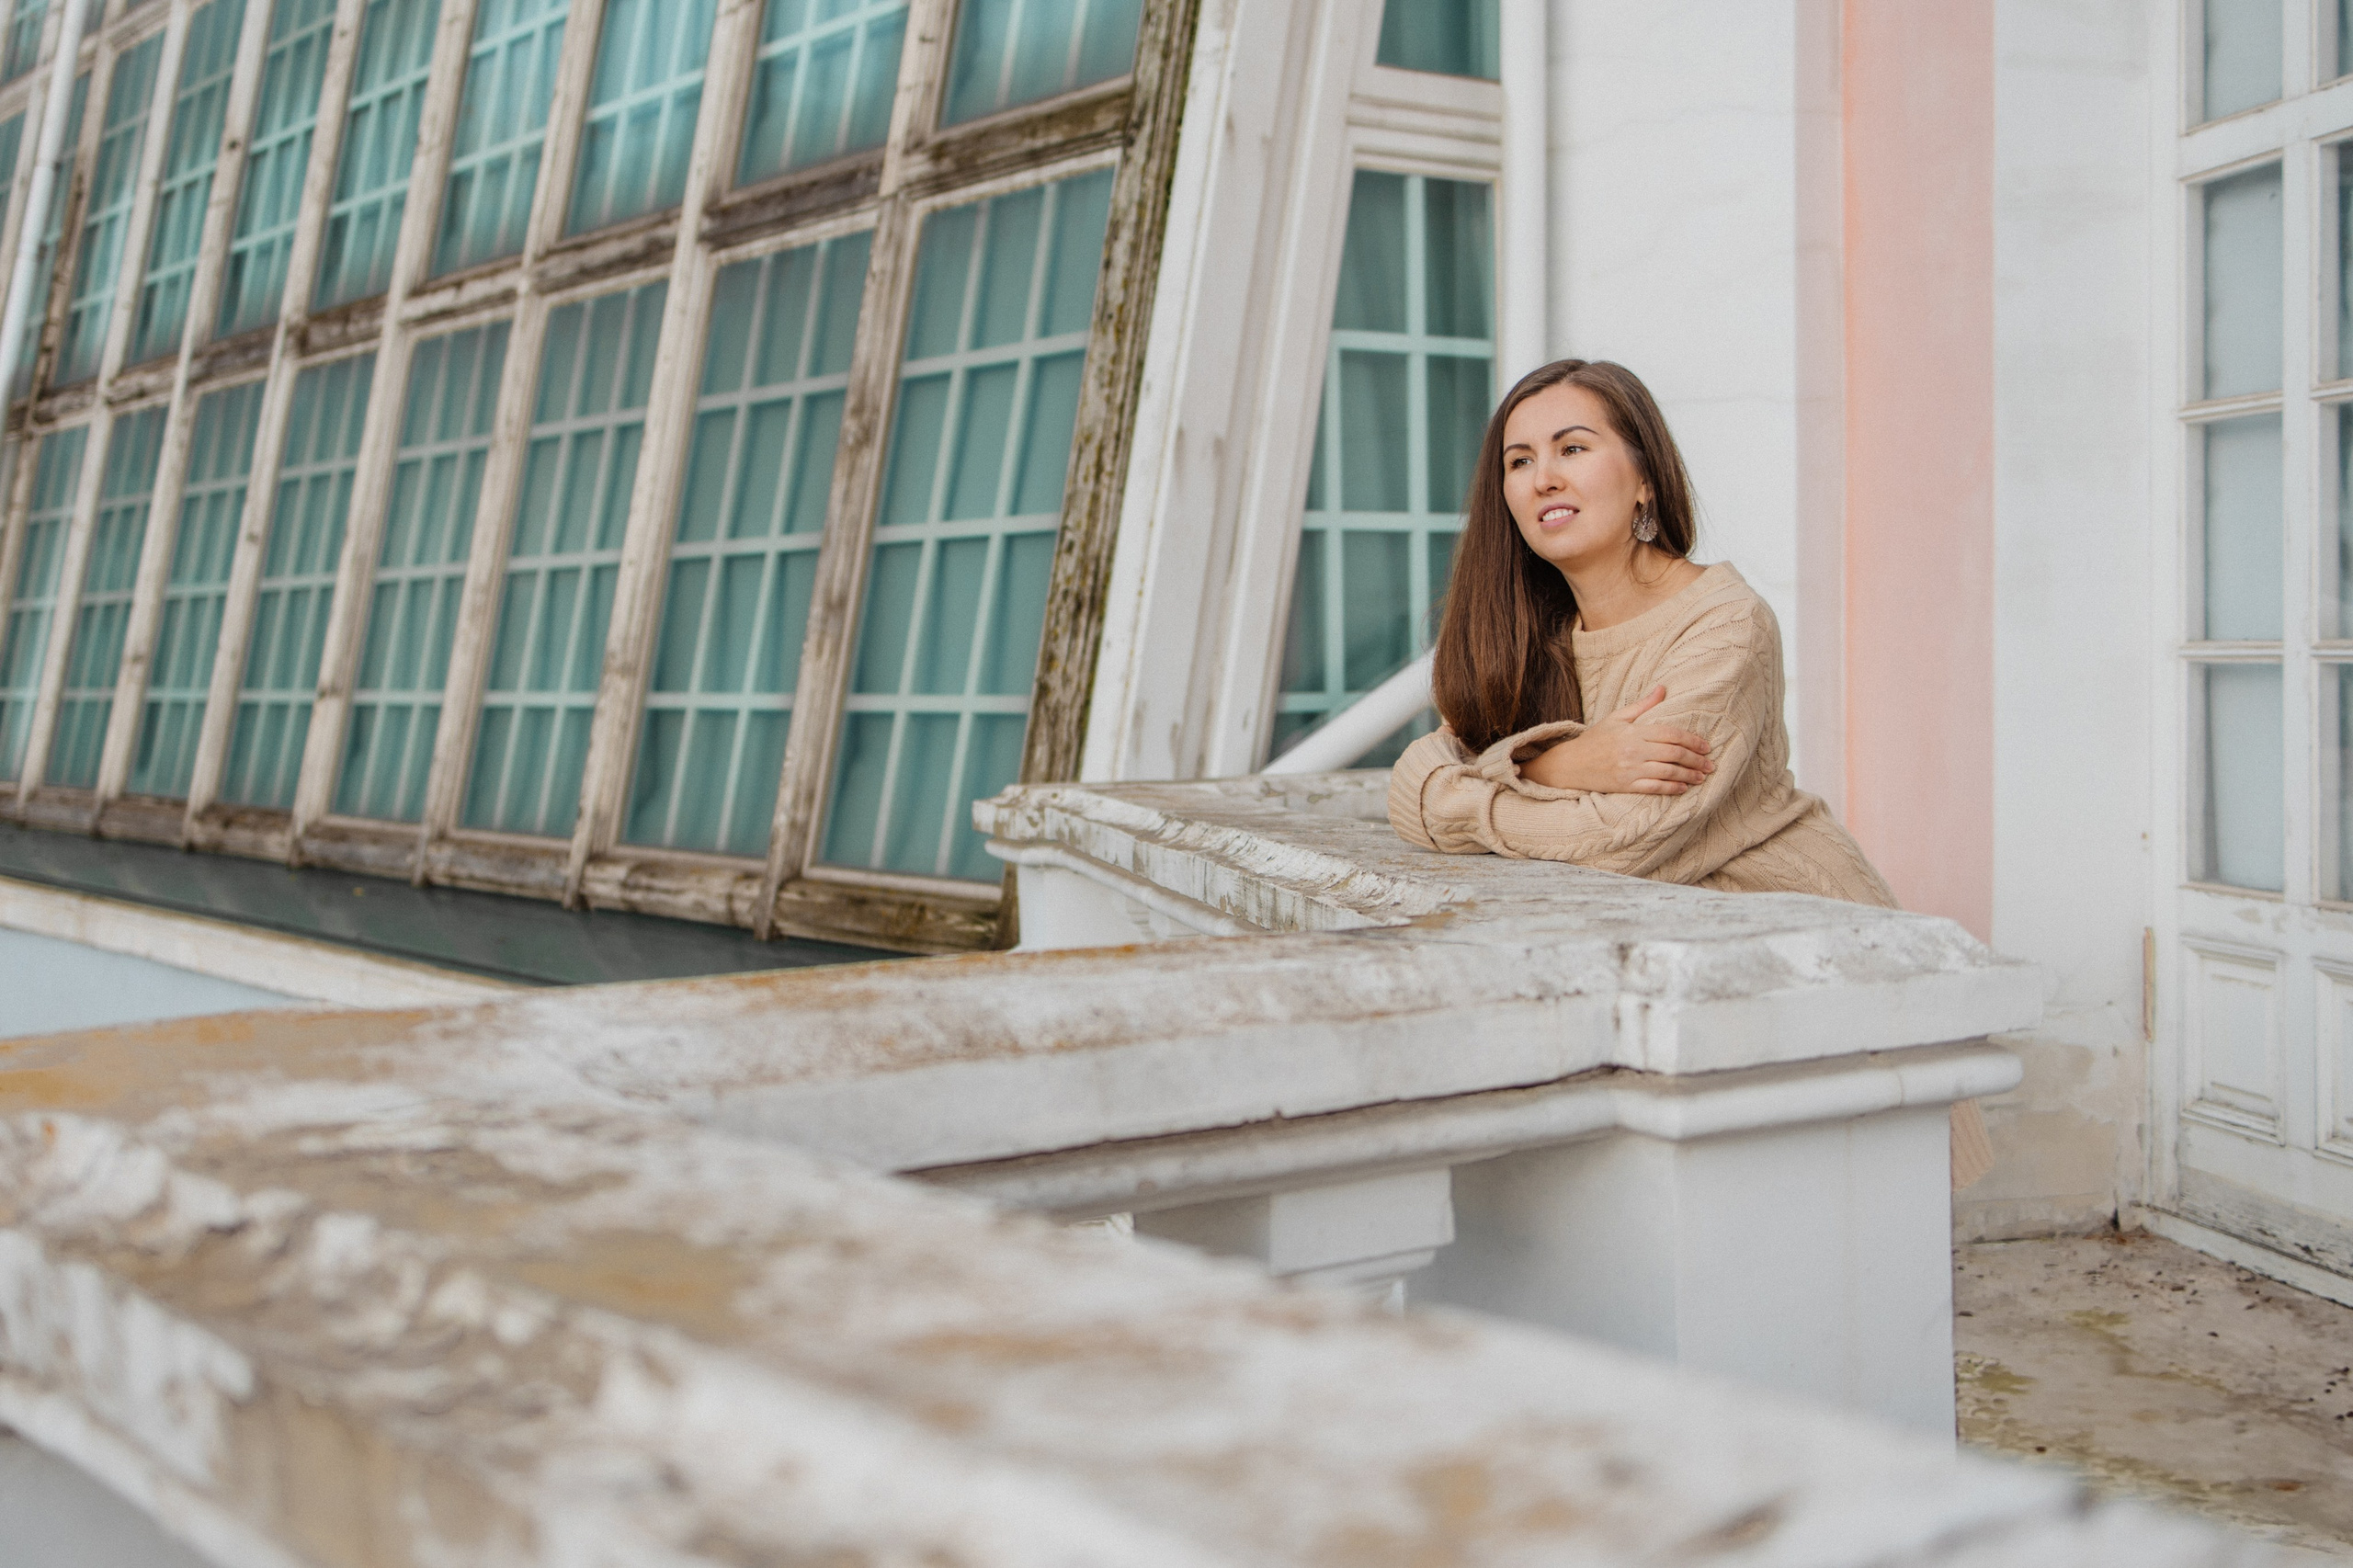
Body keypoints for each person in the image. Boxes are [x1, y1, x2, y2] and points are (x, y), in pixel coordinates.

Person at [1386, 358, 1993, 1189]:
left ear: (1643, 478)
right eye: (1518, 461)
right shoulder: (1525, 636)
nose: (1542, 477)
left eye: (1572, 447)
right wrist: (1563, 759)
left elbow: (1625, 841)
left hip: (1791, 943)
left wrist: (1496, 784)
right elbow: (1409, 785)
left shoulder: (1722, 623)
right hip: (1657, 973)